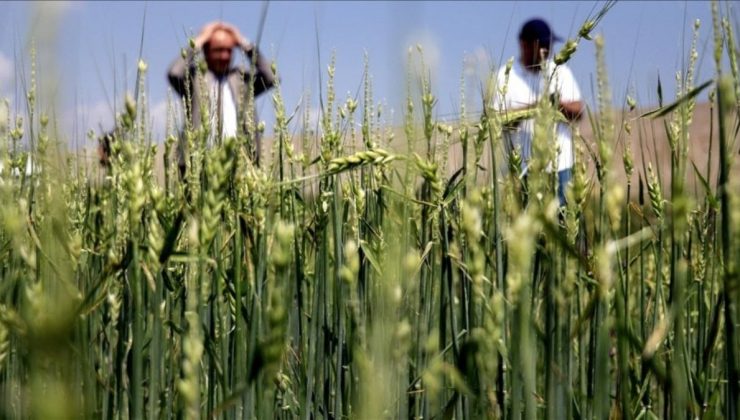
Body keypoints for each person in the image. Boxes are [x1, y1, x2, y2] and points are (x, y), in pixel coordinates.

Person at [492, 18, 583, 205]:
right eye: (542, 45)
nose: (548, 50)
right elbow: (495, 121)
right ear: (524, 44)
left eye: (549, 44)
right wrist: (533, 107)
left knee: (564, 224)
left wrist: (557, 104)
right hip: (522, 170)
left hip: (561, 166)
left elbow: (579, 111)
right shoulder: (505, 76)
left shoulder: (560, 71)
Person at [167, 21, 276, 173]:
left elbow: (271, 78)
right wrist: (199, 40)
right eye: (218, 50)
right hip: (198, 162)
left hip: (240, 162)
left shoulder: (242, 78)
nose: (224, 55)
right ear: (205, 51)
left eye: (229, 50)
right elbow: (174, 72)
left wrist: (244, 44)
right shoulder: (195, 77)